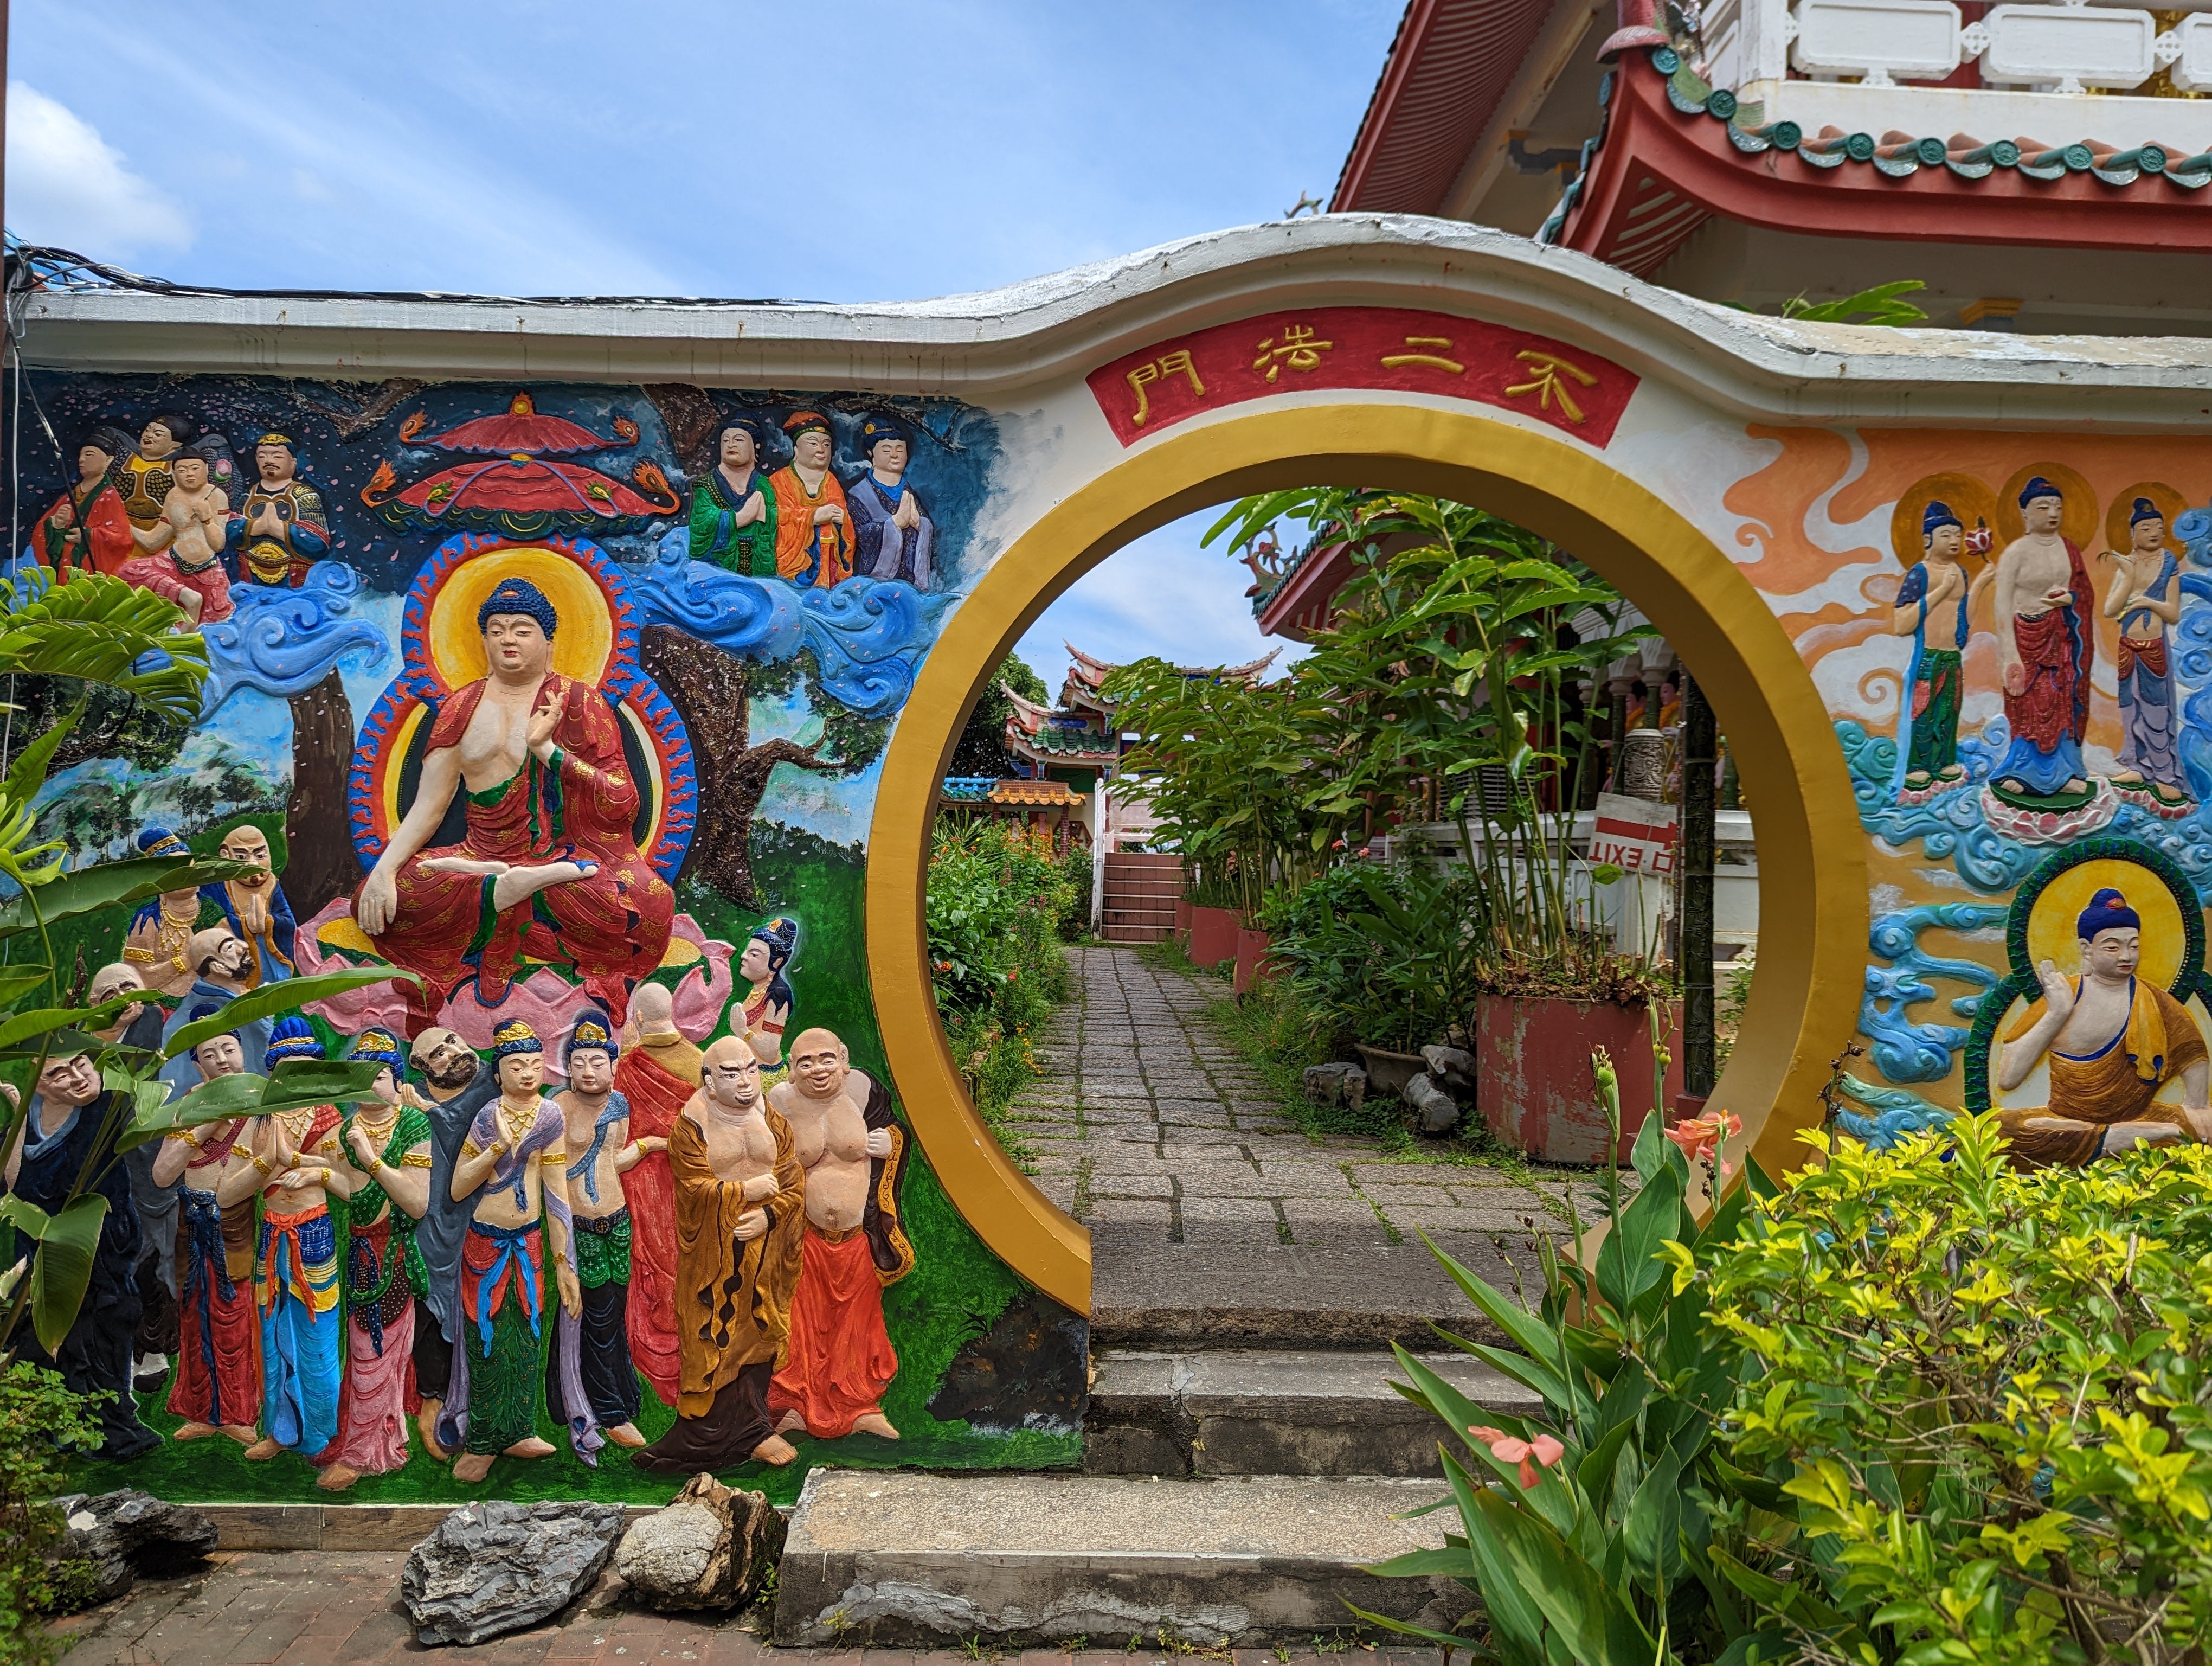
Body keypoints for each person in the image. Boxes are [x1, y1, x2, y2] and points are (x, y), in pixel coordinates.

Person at [354, 575, 676, 1028]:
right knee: (384, 897)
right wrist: (385, 871)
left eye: (522, 629)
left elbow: (621, 800)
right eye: (497, 629)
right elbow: (429, 805)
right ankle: (505, 886)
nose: (508, 639)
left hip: (566, 859)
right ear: (482, 638)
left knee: (652, 903)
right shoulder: (461, 708)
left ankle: (509, 887)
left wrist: (550, 752)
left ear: (549, 641)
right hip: (481, 854)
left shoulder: (579, 702)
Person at [634, 1036, 806, 1474]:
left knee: (762, 1331)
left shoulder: (772, 1119)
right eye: (731, 1073)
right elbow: (692, 1189)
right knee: (713, 1336)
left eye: (750, 1069)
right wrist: (742, 1193)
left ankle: (755, 1429)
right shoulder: (692, 1126)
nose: (746, 1081)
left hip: (766, 1253)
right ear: (709, 1082)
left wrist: (769, 1215)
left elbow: (793, 1181)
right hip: (715, 1260)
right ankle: (701, 1438)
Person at [436, 1020, 591, 1482]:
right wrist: (498, 1148)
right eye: (514, 1066)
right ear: (498, 1074)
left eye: (532, 1064)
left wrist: (565, 1265)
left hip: (530, 1243)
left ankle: (520, 1429)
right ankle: (482, 1441)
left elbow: (557, 1192)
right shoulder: (488, 1117)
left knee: (525, 1339)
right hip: (485, 1243)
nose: (526, 1073)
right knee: (486, 1343)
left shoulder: (549, 1117)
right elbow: (460, 1187)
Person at [3, 1052, 159, 1459]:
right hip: (44, 1249)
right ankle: (53, 1425)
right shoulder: (28, 1122)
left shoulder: (108, 1109)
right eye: (58, 1073)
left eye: (82, 1064)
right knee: (45, 1336)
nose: (75, 1078)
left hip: (102, 1247)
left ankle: (106, 1427)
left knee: (101, 1333)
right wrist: (18, 1113)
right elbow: (15, 1185)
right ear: (39, 1084)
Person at [1993, 888, 2212, 1169]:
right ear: (2086, 948)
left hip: (2145, 1117)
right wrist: (2057, 1013)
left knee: (2193, 1133)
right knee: (2000, 1130)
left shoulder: (2160, 1004)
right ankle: (2116, 1138)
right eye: (2112, 947)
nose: (2126, 956)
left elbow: (2195, 1076)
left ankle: (2121, 1137)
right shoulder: (2064, 995)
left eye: (2134, 946)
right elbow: (2008, 1079)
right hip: (2065, 1122)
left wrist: (2196, 1113)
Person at [768, 1028, 914, 1441]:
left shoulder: (864, 1092)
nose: (818, 1069)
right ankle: (795, 1405)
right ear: (792, 1070)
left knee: (857, 1327)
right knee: (801, 1326)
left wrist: (892, 1143)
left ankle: (859, 1407)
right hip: (804, 1238)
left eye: (827, 1058)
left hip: (855, 1239)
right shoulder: (780, 1102)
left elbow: (897, 1135)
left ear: (844, 1058)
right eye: (806, 1062)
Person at [217, 1024, 351, 1472]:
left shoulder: (328, 1117)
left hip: (313, 1233)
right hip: (273, 1236)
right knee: (274, 1334)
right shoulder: (261, 1119)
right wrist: (266, 1161)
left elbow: (348, 1185)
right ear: (274, 1074)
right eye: (291, 1072)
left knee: (316, 1336)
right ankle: (281, 1431)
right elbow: (226, 1194)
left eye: (309, 1072)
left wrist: (312, 1170)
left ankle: (322, 1434)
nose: (300, 1082)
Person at [321, 1028, 434, 1491]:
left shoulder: (413, 1125)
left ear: (397, 1081)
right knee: (364, 1351)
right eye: (363, 1076)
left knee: (377, 1354)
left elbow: (415, 1203)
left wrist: (370, 1160)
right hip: (362, 1252)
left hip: (397, 1256)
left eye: (383, 1075)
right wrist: (316, 1171)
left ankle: (360, 1452)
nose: (373, 1085)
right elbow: (356, 1195)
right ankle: (379, 1439)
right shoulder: (350, 1130)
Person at [150, 1014, 262, 1446]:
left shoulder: (260, 1103)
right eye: (208, 1055)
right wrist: (205, 1127)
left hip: (236, 1224)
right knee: (195, 1314)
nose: (221, 1060)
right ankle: (201, 1410)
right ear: (198, 1066)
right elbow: (163, 1173)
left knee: (234, 1316)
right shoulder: (190, 1106)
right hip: (191, 1222)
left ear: (243, 1052)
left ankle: (237, 1412)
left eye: (228, 1050)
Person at [547, 1012, 654, 1450]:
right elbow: (551, 1173)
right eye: (579, 1063)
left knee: (613, 1310)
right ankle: (605, 1411)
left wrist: (649, 1147)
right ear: (568, 1069)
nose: (589, 1072)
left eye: (597, 1062)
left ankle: (616, 1397)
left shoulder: (620, 1104)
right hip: (578, 1225)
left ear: (613, 1066)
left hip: (617, 1220)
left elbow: (612, 1160)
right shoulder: (556, 1107)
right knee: (590, 1315)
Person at [403, 1027, 500, 1460]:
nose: (454, 1052)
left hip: (488, 1223)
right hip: (432, 1226)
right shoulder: (411, 1103)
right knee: (429, 1311)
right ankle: (433, 1401)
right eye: (437, 1054)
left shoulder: (492, 1084)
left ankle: (484, 1408)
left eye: (454, 1041)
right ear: (423, 1070)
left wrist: (427, 1111)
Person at [92, 960, 181, 1386]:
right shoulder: (88, 1045)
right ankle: (134, 1350)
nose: (124, 997)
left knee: (152, 1261)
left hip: (150, 1169)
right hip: (105, 1173)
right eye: (111, 994)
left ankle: (153, 1351)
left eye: (131, 987)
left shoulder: (153, 1025)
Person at [611, 982, 700, 1407]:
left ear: (639, 1019)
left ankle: (653, 1359)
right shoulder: (702, 1064)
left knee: (646, 1266)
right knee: (685, 1264)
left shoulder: (625, 1068)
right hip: (687, 1181)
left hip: (638, 1179)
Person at [1980, 476, 2092, 803]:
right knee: (2028, 703)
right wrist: (2009, 653)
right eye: (2043, 507)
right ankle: (2022, 770)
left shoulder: (2069, 549)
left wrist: (2069, 600)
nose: (2052, 513)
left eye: (2058, 507)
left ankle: (2065, 771)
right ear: (2025, 514)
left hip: (2060, 634)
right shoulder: (2016, 552)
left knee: (2060, 699)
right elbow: (2001, 602)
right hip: (2025, 634)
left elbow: (2083, 592)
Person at [2104, 498, 2190, 806]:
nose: (2154, 532)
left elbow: (2173, 612)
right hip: (2128, 646)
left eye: (2159, 527)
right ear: (2133, 534)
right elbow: (2110, 610)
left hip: (2153, 646)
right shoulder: (2128, 563)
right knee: (2130, 708)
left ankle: (2165, 775)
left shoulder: (2168, 563)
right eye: (2146, 527)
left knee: (2156, 711)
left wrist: (2145, 602)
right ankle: (2137, 767)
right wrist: (2128, 579)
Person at [1890, 501, 1971, 796]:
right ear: (1928, 539)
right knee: (1923, 711)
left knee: (1950, 710)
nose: (1954, 541)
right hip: (1928, 655)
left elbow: (1964, 617)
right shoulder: (1919, 573)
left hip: (1952, 655)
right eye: (1947, 535)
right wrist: (1939, 592)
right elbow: (1901, 623)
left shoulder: (1961, 573)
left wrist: (1983, 585)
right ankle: (1918, 765)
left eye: (1957, 536)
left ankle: (1944, 761)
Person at [120, 444, 233, 626]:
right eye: (182, 470)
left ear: (206, 471)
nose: (189, 474)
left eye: (195, 469)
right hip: (171, 563)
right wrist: (125, 525)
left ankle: (189, 619)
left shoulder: (216, 496)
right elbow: (153, 542)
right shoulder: (173, 495)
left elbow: (218, 545)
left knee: (213, 621)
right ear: (174, 475)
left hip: (206, 568)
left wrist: (206, 519)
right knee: (128, 570)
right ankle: (187, 596)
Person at [228, 433, 329, 588]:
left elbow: (318, 544)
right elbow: (230, 531)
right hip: (248, 573)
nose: (269, 461)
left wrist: (280, 529)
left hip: (295, 575)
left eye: (277, 456)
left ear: (293, 463)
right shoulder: (249, 495)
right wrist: (254, 528)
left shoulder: (304, 495)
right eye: (262, 457)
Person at [202, 823, 297, 987]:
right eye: (241, 857)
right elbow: (211, 925)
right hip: (234, 956)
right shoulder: (216, 887)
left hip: (270, 954)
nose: (254, 865)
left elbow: (289, 922)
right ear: (226, 856)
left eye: (260, 856)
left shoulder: (272, 885)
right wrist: (244, 925)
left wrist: (267, 922)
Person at [30, 429, 134, 579]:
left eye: (89, 455)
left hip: (88, 570)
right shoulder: (70, 496)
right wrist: (55, 526)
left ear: (108, 460)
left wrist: (90, 536)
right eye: (81, 455)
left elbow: (122, 539)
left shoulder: (109, 496)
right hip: (65, 568)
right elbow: (41, 531)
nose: (82, 460)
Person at [846, 417, 934, 589]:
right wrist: (893, 525)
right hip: (878, 580)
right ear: (871, 453)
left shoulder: (909, 492)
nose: (895, 455)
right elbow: (857, 535)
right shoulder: (860, 494)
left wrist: (920, 524)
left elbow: (925, 527)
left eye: (900, 450)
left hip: (910, 579)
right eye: (886, 450)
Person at [768, 412, 852, 588]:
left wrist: (842, 521)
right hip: (794, 563)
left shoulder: (831, 481)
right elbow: (774, 517)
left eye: (826, 444)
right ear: (796, 450)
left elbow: (845, 523)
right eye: (813, 443)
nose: (821, 450)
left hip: (829, 561)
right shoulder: (779, 481)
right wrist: (813, 517)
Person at [123, 826, 207, 998]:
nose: (184, 876)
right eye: (174, 871)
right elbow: (139, 976)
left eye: (187, 868)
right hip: (170, 1001)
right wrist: (186, 961)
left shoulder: (212, 908)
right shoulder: (148, 920)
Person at [687, 416, 777, 575]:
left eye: (739, 440)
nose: (731, 445)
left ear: (756, 446)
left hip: (758, 565)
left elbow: (774, 527)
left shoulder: (764, 485)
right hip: (718, 570)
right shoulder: (706, 484)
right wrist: (740, 519)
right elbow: (700, 526)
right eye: (726, 440)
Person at [114, 413, 195, 535]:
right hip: (120, 526)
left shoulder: (179, 468)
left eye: (158, 434)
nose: (148, 435)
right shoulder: (126, 458)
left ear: (174, 445)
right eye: (147, 430)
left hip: (162, 531)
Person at [735, 917, 798, 1068]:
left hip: (765, 1071)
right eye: (747, 951)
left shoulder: (778, 994)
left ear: (776, 962)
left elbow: (770, 1052)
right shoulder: (758, 989)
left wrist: (742, 1031)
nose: (743, 956)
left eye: (754, 954)